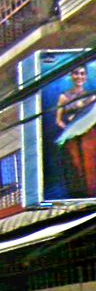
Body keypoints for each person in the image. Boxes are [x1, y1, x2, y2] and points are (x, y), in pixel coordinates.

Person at [54, 64, 96, 196]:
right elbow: (59, 120)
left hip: (89, 134)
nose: (79, 77)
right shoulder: (64, 97)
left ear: (86, 76)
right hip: (72, 138)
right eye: (76, 73)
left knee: (90, 164)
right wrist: (69, 130)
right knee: (76, 165)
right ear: (72, 76)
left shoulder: (91, 96)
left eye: (82, 74)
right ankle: (81, 193)